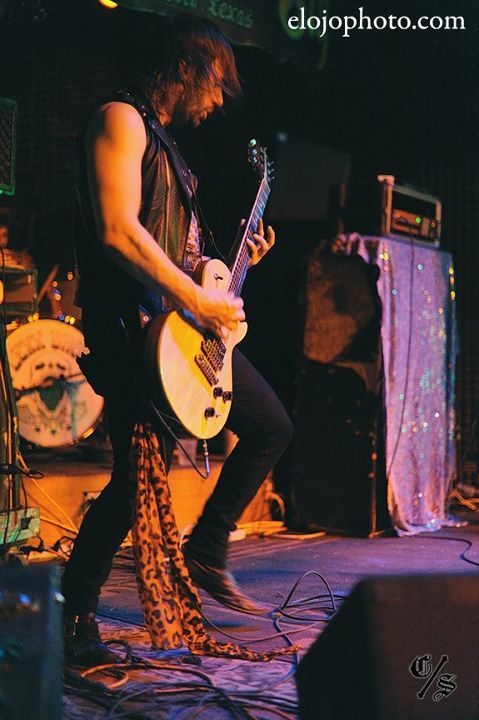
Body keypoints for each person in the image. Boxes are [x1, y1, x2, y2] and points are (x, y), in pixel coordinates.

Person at [61, 14, 293, 667]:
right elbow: (117, 230)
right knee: (135, 482)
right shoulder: (119, 119)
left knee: (269, 426)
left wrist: (220, 275)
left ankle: (206, 547)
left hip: (173, 326)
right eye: (215, 82)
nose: (217, 100)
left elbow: (169, 250)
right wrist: (197, 299)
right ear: (186, 68)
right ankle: (73, 614)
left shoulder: (165, 144)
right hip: (130, 328)